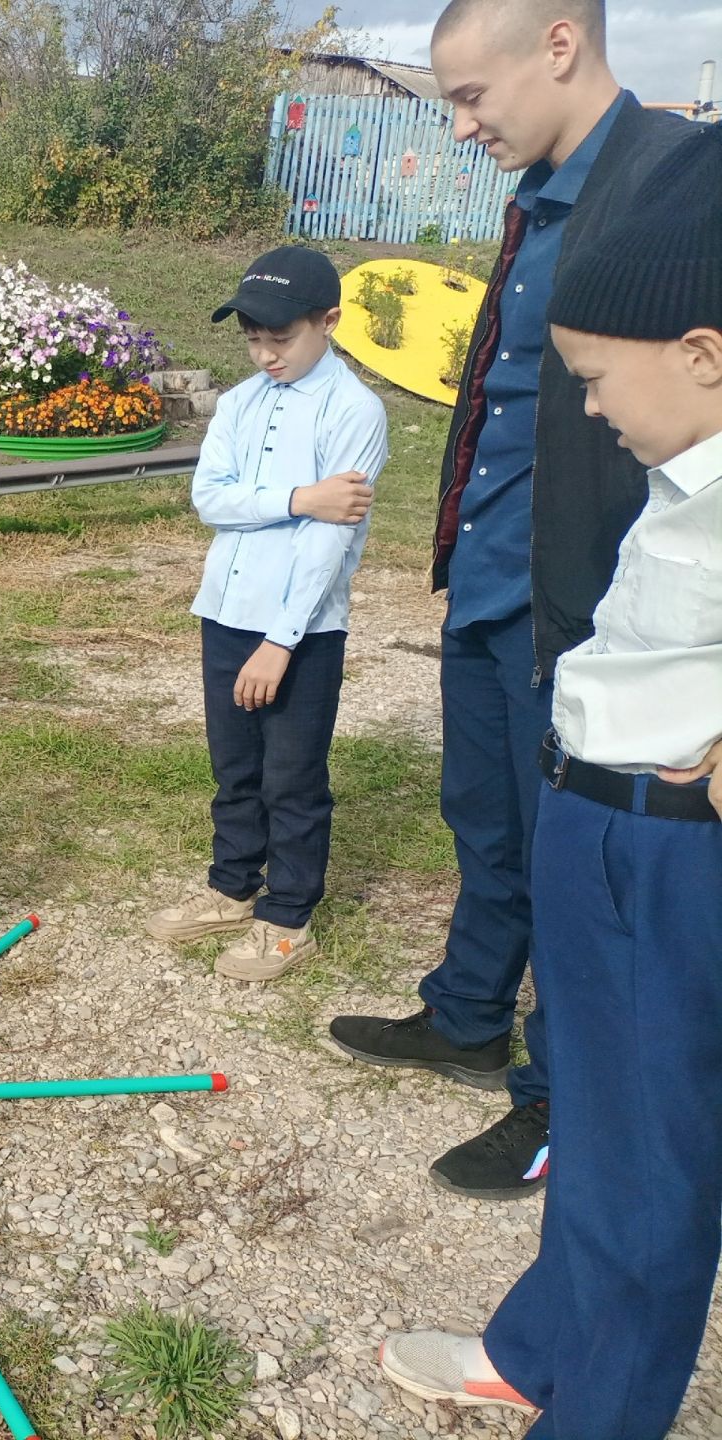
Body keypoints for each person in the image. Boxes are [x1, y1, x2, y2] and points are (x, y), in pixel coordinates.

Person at [380, 121, 722, 1440]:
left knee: (653, 1179)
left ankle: (599, 1413)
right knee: (592, 1120)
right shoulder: (678, 465)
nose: (582, 406)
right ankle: (540, 1348)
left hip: (667, 849)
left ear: (701, 355)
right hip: (590, 818)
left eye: (593, 379)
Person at [328, 0, 690, 1201]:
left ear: (559, 45)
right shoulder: (536, 197)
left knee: (575, 867)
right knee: (484, 821)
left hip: (591, 606)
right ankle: (469, 1012)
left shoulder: (679, 189)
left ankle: (557, 1103)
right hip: (494, 586)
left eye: (473, 97)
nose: (462, 122)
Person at [144, 246, 388, 983]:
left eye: (281, 338)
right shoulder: (242, 401)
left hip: (302, 629)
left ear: (329, 322)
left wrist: (281, 643)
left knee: (292, 774)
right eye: (253, 339)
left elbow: (329, 542)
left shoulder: (355, 411)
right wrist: (295, 498)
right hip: (226, 608)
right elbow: (208, 499)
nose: (266, 353)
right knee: (235, 764)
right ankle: (232, 886)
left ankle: (288, 916)